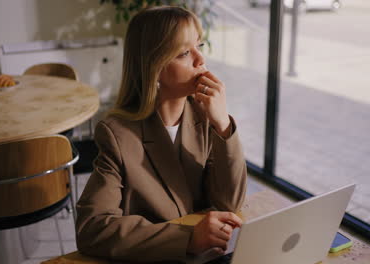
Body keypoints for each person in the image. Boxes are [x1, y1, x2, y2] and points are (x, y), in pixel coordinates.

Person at [75, 6, 247, 263]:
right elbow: (92, 229)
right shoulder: (118, 135)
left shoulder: (205, 116)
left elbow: (230, 204)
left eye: (199, 45)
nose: (201, 60)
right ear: (154, 67)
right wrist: (187, 238)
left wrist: (223, 125)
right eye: (185, 52)